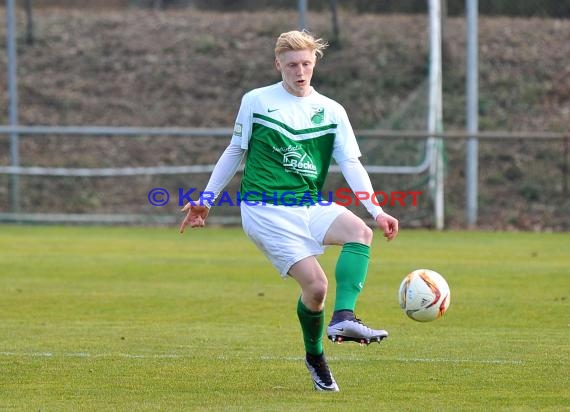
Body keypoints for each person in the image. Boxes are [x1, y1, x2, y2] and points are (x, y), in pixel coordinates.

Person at [180, 30, 399, 392]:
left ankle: (343, 318)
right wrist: (206, 200)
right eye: (292, 64)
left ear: (315, 64)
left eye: (307, 64)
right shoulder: (257, 101)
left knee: (361, 232)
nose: (300, 71)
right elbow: (235, 151)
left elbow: (351, 163)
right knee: (316, 287)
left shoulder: (332, 110)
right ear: (277, 64)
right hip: (264, 210)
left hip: (307, 203)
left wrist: (375, 210)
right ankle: (315, 358)